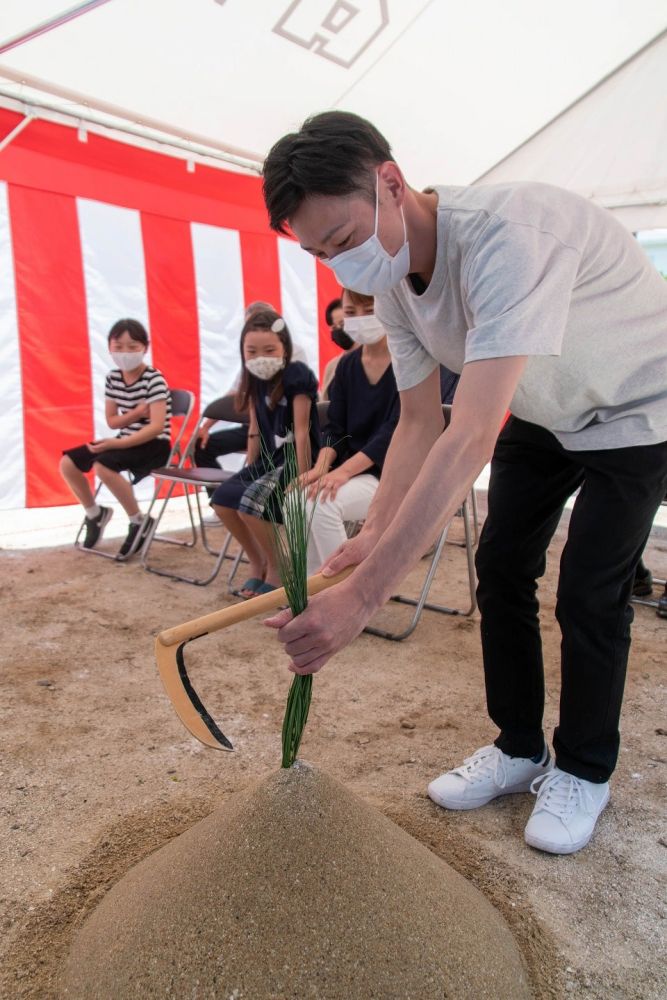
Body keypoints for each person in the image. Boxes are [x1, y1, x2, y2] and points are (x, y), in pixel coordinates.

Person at [261, 110, 667, 856]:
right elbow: (418, 423)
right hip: (548, 410)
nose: (340, 266)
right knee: (501, 567)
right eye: (320, 254)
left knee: (587, 588)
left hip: (639, 405)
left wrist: (364, 599)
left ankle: (583, 766)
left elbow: (470, 433)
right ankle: (518, 748)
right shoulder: (390, 284)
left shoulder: (510, 235)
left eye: (344, 240)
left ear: (389, 181)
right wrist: (376, 533)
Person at [210, 309, 320, 598]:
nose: (260, 356)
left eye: (269, 349)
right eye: (252, 351)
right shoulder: (254, 379)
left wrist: (304, 473)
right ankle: (256, 561)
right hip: (267, 461)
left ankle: (278, 568)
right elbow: (255, 430)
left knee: (250, 503)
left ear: (285, 346)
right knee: (222, 499)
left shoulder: (297, 374)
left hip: (294, 459)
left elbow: (302, 430)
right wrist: (248, 468)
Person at [299, 287, 399, 575]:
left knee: (322, 505)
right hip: (354, 471)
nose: (359, 319)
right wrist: (321, 467)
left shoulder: (408, 361)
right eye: (352, 313)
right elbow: (334, 426)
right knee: (297, 500)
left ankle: (344, 593)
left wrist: (343, 472)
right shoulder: (346, 365)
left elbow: (395, 430)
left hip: (391, 474)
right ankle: (310, 593)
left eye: (369, 311)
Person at [60, 318, 171, 555]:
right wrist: (137, 413)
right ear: (109, 347)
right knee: (67, 463)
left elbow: (156, 427)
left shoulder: (154, 379)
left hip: (154, 444)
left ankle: (139, 520)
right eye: (118, 346)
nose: (125, 353)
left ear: (145, 347)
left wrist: (117, 440)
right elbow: (111, 420)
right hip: (124, 440)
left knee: (103, 466)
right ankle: (95, 514)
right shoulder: (113, 377)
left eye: (132, 347)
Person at [195, 301, 310, 474]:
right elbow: (236, 392)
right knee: (202, 446)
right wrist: (205, 426)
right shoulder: (251, 358)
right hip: (253, 426)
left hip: (283, 428)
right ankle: (219, 493)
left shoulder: (295, 355)